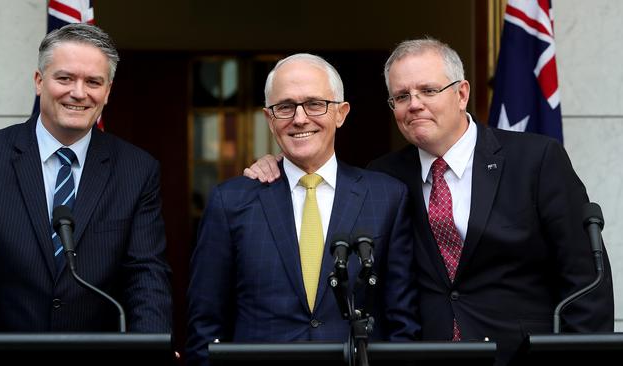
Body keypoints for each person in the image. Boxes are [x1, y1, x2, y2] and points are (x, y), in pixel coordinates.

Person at [244, 38, 614, 364]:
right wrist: (279, 162)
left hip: (518, 353)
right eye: (401, 96)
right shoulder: (384, 177)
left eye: (428, 91)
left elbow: (586, 281)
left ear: (462, 93)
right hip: (426, 354)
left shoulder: (536, 160)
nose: (414, 104)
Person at [186, 53, 420, 365]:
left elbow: (403, 322)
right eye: (285, 107)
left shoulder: (387, 197)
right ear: (269, 119)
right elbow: (205, 324)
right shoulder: (231, 201)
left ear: (341, 113)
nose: (299, 118)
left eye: (314, 104)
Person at [0, 23, 172, 333]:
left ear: (107, 92)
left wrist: (150, 347)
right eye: (65, 78)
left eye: (93, 82)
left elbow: (145, 275)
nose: (78, 93)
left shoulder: (137, 169)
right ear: (39, 81)